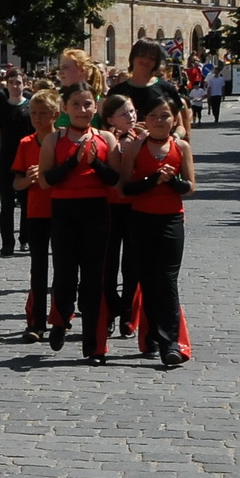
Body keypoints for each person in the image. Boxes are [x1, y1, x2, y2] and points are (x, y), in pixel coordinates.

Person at [39, 83, 118, 364]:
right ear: (64, 108)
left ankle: (95, 346)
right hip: (64, 211)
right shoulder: (54, 139)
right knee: (65, 274)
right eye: (75, 105)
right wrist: (73, 161)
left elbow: (115, 180)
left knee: (94, 278)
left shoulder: (106, 139)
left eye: (87, 105)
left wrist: (95, 163)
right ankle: (60, 320)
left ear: (95, 107)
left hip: (96, 210)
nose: (82, 110)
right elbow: (45, 181)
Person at [113, 96, 194, 367]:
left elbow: (190, 187)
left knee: (167, 280)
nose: (160, 121)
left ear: (174, 120)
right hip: (141, 219)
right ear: (146, 120)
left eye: (165, 116)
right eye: (155, 117)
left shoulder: (180, 146)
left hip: (171, 220)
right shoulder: (136, 148)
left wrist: (173, 181)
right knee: (147, 280)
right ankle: (153, 336)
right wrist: (152, 180)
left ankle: (170, 342)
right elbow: (125, 188)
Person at [11, 91, 60, 341]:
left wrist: (48, 174)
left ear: (56, 115)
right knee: (38, 268)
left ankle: (61, 318)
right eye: (33, 114)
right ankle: (36, 323)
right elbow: (16, 184)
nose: (37, 118)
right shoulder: (26, 143)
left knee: (64, 269)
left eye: (43, 114)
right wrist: (29, 180)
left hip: (63, 211)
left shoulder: (62, 141)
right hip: (36, 212)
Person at [99, 94, 144, 338]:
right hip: (109, 205)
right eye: (124, 113)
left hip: (135, 206)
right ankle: (110, 309)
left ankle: (128, 312)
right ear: (110, 119)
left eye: (133, 111)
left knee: (132, 264)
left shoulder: (142, 137)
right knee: (108, 264)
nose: (132, 116)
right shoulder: (105, 139)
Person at [107, 40, 190, 141]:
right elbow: (108, 127)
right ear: (133, 57)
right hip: (128, 149)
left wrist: (175, 137)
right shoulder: (117, 91)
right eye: (142, 55)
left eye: (152, 58)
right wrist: (129, 128)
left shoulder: (167, 88)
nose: (146, 60)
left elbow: (180, 126)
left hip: (161, 147)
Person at [0, 70, 33, 256]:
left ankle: (25, 238)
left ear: (24, 84)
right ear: (7, 85)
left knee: (26, 202)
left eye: (18, 82)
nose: (15, 86)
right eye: (12, 83)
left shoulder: (31, 107)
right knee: (6, 203)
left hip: (26, 159)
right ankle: (7, 242)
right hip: (7, 159)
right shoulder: (1, 108)